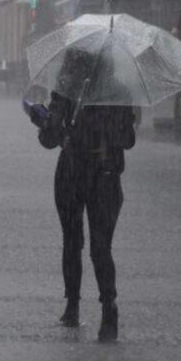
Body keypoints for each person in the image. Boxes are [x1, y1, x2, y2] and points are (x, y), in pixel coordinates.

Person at [28, 49, 136, 343]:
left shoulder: (68, 90)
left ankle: (74, 306)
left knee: (73, 242)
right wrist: (106, 131)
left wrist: (44, 121)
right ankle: (107, 306)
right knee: (100, 247)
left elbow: (49, 138)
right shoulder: (119, 92)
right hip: (104, 176)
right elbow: (128, 140)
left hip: (75, 174)